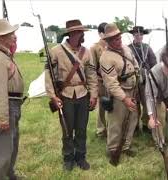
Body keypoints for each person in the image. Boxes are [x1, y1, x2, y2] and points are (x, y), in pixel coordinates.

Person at [45, 19, 98, 171]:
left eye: (82, 32)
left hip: (83, 95)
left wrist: (93, 95)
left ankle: (81, 156)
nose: (82, 35)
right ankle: (68, 158)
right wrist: (52, 95)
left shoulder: (86, 52)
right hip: (65, 95)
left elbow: (92, 74)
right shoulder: (56, 51)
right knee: (67, 130)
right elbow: (48, 74)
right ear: (72, 33)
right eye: (80, 32)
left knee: (81, 129)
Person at [100, 23, 139, 165]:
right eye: (114, 39)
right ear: (108, 41)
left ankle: (126, 146)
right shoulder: (105, 57)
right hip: (119, 95)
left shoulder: (127, 49)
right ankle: (113, 149)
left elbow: (134, 65)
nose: (118, 40)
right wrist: (125, 98)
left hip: (133, 89)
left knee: (132, 119)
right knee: (116, 123)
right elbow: (111, 83)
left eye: (119, 37)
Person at [0, 18, 24, 180]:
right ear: (1, 37)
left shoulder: (4, 55)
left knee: (12, 144)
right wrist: (2, 118)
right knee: (2, 151)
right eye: (11, 33)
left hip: (13, 104)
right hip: (7, 105)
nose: (14, 36)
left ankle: (9, 174)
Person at [128, 26, 157, 133]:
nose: (138, 36)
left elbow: (154, 63)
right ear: (133, 35)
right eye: (136, 34)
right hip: (133, 80)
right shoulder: (128, 48)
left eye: (140, 34)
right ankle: (134, 126)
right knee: (134, 104)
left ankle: (146, 124)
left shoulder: (147, 47)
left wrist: (151, 74)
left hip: (146, 80)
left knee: (146, 103)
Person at [90, 22, 108, 138]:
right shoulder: (94, 48)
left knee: (112, 105)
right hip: (101, 81)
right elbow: (92, 67)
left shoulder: (112, 46)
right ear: (100, 34)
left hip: (112, 81)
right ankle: (101, 130)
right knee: (102, 105)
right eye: (105, 32)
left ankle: (111, 127)